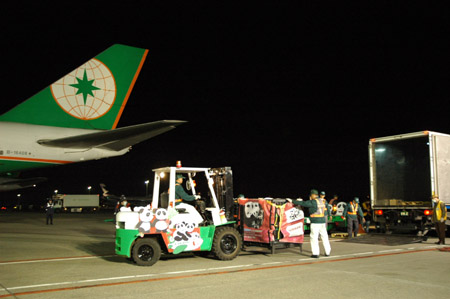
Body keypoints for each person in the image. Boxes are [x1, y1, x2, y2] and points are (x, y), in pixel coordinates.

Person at [288, 189, 331, 258]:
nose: (310, 197)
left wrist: (292, 201)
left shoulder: (313, 202)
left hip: (315, 222)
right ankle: (327, 252)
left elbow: (304, 203)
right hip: (323, 222)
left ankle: (316, 253)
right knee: (324, 237)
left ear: (313, 195)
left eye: (311, 195)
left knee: (314, 237)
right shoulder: (322, 201)